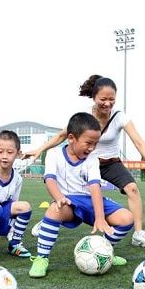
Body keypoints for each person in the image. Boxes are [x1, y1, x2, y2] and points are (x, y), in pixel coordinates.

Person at [24, 75, 145, 248]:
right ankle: (50, 218)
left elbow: (138, 140)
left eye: (112, 99)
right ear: (94, 98)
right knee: (70, 193)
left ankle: (139, 233)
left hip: (110, 163)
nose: (108, 103)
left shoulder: (119, 117)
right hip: (85, 160)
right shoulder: (86, 117)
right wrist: (40, 149)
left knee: (132, 188)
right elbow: (61, 135)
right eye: (103, 99)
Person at [28, 112, 134, 278]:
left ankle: (106, 252)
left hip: (90, 200)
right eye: (88, 143)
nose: (92, 147)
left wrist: (100, 217)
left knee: (126, 218)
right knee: (54, 210)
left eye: (95, 143)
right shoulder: (54, 154)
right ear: (71, 138)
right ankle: (42, 258)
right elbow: (50, 180)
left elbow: (95, 187)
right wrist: (59, 198)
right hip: (69, 201)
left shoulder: (92, 159)